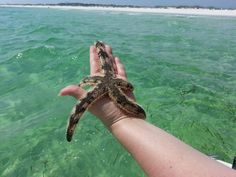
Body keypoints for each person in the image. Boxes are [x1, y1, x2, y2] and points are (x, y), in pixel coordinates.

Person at [59, 43, 236, 177]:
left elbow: (120, 86)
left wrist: (123, 120)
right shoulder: (113, 82)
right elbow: (125, 86)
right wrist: (129, 119)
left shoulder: (106, 82)